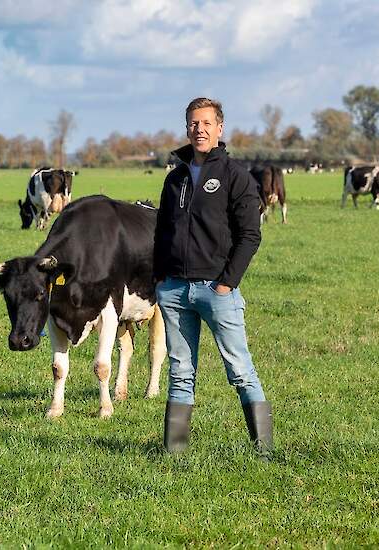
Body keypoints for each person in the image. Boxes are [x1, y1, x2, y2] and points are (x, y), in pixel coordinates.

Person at [153, 97, 273, 457]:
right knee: (179, 371)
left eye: (206, 123)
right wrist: (161, 278)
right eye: (193, 123)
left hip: (216, 290)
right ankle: (175, 453)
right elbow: (161, 232)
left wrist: (226, 283)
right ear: (186, 128)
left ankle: (264, 450)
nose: (199, 130)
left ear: (220, 128)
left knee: (240, 370)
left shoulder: (235, 176)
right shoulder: (175, 179)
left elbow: (250, 235)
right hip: (174, 290)